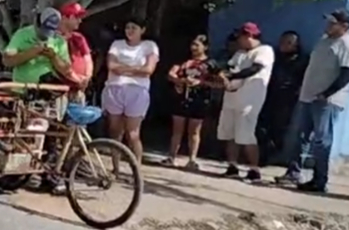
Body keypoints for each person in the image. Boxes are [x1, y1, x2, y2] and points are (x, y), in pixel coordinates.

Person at [279, 9, 349, 193]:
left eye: (333, 23)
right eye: (329, 22)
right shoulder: (324, 41)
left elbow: (347, 74)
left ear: (345, 26)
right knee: (299, 136)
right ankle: (294, 172)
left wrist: (327, 93)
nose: (329, 25)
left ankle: (319, 180)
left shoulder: (348, 45)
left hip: (327, 100)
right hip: (308, 96)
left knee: (321, 140)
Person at [216, 22, 275, 182]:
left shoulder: (264, 51)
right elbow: (230, 67)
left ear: (249, 36)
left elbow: (255, 69)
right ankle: (232, 166)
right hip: (231, 98)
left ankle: (254, 170)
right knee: (229, 134)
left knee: (246, 135)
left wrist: (233, 77)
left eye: (241, 37)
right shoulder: (240, 53)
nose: (238, 41)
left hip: (249, 101)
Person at [102, 18, 159, 164]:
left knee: (133, 133)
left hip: (137, 91)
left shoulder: (149, 46)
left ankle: (136, 167)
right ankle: (115, 168)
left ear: (143, 30)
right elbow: (111, 66)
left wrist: (123, 69)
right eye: (128, 27)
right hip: (115, 89)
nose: (130, 30)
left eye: (134, 27)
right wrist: (135, 70)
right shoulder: (117, 44)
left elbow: (148, 70)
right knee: (115, 132)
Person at [159, 35, 214, 170]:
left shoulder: (210, 64)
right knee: (177, 129)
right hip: (181, 97)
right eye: (192, 44)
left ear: (205, 47)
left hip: (200, 98)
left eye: (197, 45)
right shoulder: (184, 61)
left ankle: (192, 160)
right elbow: (171, 74)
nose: (193, 48)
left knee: (194, 131)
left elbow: (218, 82)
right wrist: (180, 81)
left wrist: (201, 82)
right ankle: (171, 157)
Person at [257, 30, 307, 164]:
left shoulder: (301, 60)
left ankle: (276, 154)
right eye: (282, 41)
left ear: (296, 45)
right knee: (262, 127)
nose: (283, 45)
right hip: (269, 95)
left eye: (288, 42)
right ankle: (262, 156)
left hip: (287, 99)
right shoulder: (274, 57)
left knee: (279, 129)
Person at [2, 8, 71, 85]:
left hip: (48, 89)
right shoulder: (22, 35)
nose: (46, 36)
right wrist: (29, 53)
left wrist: (53, 57)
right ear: (37, 23)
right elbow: (7, 61)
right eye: (44, 30)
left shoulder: (59, 41)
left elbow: (66, 70)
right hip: (21, 89)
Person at [57, 3, 93, 95]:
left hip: (79, 88)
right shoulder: (54, 38)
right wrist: (76, 78)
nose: (80, 21)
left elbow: (88, 59)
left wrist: (87, 77)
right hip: (60, 87)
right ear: (65, 18)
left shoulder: (79, 38)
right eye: (76, 17)